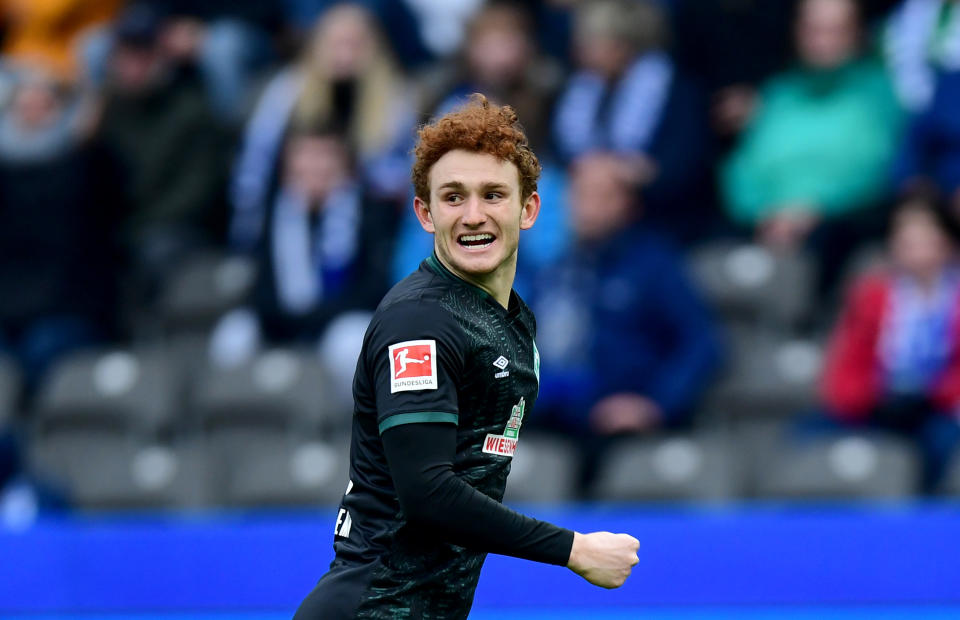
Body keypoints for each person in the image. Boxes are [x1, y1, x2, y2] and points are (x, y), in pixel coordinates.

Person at [293, 95, 639, 619]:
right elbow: (427, 493)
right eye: (453, 197)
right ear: (425, 214)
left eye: (493, 194)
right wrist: (575, 550)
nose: (473, 215)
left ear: (529, 209)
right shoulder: (419, 321)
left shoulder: (512, 321)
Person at [528, 153, 723, 493]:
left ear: (628, 204)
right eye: (579, 194)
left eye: (601, 195)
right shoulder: (556, 269)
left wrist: (656, 405)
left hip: (620, 425)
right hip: (555, 417)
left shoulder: (655, 266)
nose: (587, 207)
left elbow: (702, 343)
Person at [819, 191, 960, 490]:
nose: (916, 250)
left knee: (940, 442)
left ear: (947, 243)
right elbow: (848, 364)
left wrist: (933, 394)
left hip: (941, 409)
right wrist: (871, 398)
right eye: (906, 240)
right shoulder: (871, 295)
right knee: (808, 435)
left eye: (926, 239)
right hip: (880, 405)